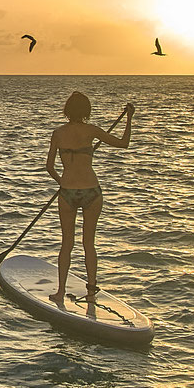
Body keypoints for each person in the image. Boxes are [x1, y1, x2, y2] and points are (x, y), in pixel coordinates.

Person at [43, 91, 134, 311]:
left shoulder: (58, 133)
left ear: (67, 110)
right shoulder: (91, 131)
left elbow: (49, 166)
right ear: (86, 111)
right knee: (88, 244)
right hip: (92, 192)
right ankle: (91, 294)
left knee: (67, 244)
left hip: (67, 193)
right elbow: (123, 144)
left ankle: (60, 292)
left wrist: (62, 180)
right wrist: (129, 118)